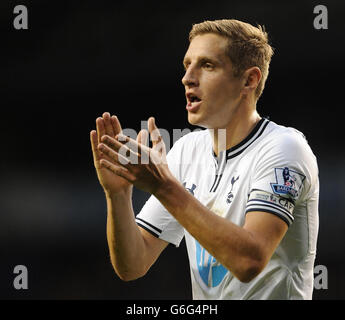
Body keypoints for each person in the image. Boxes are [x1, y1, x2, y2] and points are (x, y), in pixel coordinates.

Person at [90, 19, 319, 299]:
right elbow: (133, 265)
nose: (187, 77)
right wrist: (119, 195)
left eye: (207, 65)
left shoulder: (284, 147)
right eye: (187, 64)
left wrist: (164, 187)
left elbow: (249, 262)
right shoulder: (187, 150)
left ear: (249, 80)